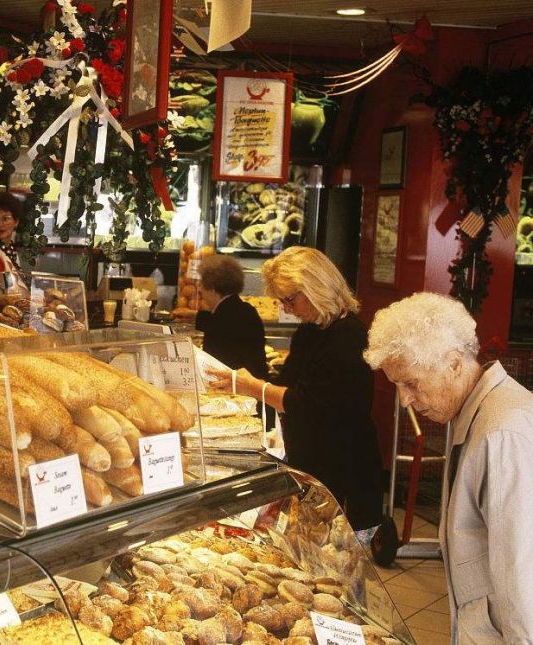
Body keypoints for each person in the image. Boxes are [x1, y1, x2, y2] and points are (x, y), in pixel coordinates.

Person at [365, 292, 533, 642]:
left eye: (411, 383)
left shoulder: (501, 433)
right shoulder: (474, 412)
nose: (404, 399)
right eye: (397, 386)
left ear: (454, 364)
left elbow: (522, 579)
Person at [206, 247, 384, 537]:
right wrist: (246, 386)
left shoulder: (348, 335)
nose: (287, 309)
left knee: (341, 557)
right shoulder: (308, 332)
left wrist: (251, 385)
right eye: (282, 301)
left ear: (316, 286)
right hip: (311, 470)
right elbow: (287, 387)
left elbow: (306, 404)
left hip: (347, 476)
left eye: (290, 299)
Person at [194, 254, 267, 379]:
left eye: (201, 283)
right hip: (251, 384)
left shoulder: (224, 318)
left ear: (212, 288)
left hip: (239, 388)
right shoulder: (242, 309)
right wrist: (193, 315)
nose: (199, 288)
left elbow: (212, 370)